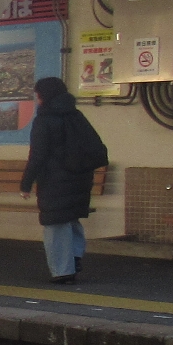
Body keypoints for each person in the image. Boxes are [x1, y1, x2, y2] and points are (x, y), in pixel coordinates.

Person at [20, 75, 108, 284]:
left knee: (55, 223)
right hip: (80, 178)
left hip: (55, 180)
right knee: (70, 218)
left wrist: (26, 183)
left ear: (44, 96)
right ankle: (75, 256)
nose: (37, 99)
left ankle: (63, 271)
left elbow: (38, 155)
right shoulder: (76, 115)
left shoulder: (44, 120)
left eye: (38, 95)